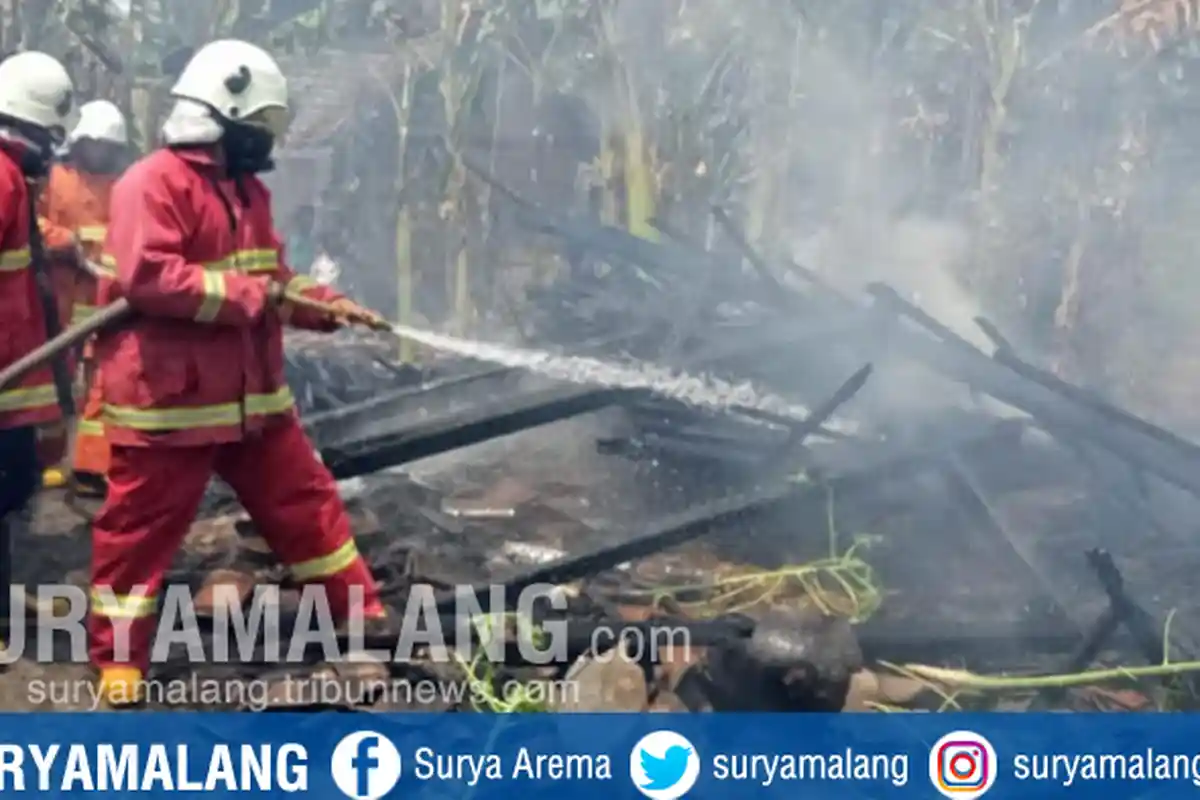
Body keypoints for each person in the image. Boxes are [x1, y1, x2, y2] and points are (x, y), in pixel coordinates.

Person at [89, 39, 388, 705]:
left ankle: (359, 616)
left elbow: (271, 277)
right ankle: (118, 658)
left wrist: (330, 308)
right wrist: (260, 298)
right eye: (257, 129)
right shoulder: (152, 182)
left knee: (309, 511)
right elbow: (150, 277)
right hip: (173, 404)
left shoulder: (245, 191)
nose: (265, 144)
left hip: (253, 401)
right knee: (136, 538)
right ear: (221, 116)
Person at [0, 51, 76, 636]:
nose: (52, 149)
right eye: (49, 134)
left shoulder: (11, 178)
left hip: (12, 368)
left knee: (15, 484)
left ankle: (3, 599)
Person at [37, 100, 130, 494]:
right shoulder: (54, 179)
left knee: (103, 386)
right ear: (80, 142)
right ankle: (44, 463)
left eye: (112, 148)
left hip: (103, 304)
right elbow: (28, 224)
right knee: (48, 387)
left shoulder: (122, 187)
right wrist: (64, 241)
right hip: (57, 300)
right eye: (99, 145)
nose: (105, 154)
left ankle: (93, 466)